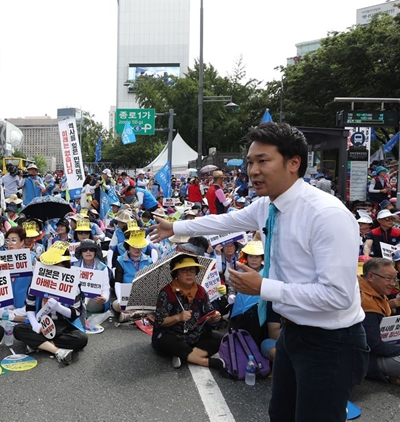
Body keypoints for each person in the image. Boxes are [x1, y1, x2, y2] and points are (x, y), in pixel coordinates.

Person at [150, 122, 367, 421]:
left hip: (332, 341)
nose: (252, 170)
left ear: (294, 163)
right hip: (291, 332)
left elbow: (338, 296)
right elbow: (224, 221)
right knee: (280, 414)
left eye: (263, 161)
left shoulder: (327, 216)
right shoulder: (266, 206)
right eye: (251, 162)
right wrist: (175, 227)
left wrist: (263, 287)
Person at [13, 241, 88, 365]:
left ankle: (40, 345)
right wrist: (35, 325)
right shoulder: (38, 278)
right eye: (51, 264)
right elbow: (30, 306)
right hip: (41, 322)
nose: (54, 268)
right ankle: (58, 350)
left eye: (58, 264)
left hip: (64, 325)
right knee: (18, 329)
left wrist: (58, 307)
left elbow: (76, 312)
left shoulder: (73, 282)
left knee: (81, 339)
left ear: (65, 264)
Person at [152, 254, 224, 369]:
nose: (189, 273)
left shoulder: (200, 290)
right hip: (174, 335)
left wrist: (213, 317)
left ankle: (184, 356)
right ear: (176, 273)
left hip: (196, 335)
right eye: (184, 270)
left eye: (192, 270)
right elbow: (160, 322)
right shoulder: (166, 292)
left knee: (220, 338)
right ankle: (207, 362)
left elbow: (209, 312)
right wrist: (178, 317)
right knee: (166, 341)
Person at [357, 258, 400, 385]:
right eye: (388, 279)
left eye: (394, 279)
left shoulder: (372, 290)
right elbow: (373, 345)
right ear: (370, 276)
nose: (393, 284)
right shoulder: (365, 302)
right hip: (368, 360)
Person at [113, 229, 153, 322]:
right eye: (134, 246)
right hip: (126, 297)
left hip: (143, 296)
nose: (138, 249)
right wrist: (119, 299)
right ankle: (140, 314)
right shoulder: (120, 260)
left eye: (140, 246)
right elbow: (118, 282)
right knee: (116, 305)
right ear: (128, 246)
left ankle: (132, 315)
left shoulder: (149, 261)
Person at [73, 240, 112, 313]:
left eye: (91, 249)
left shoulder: (103, 268)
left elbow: (106, 288)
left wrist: (104, 298)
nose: (88, 252)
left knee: (91, 305)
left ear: (95, 252)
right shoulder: (74, 267)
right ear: (81, 252)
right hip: (78, 300)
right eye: (85, 249)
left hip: (95, 301)